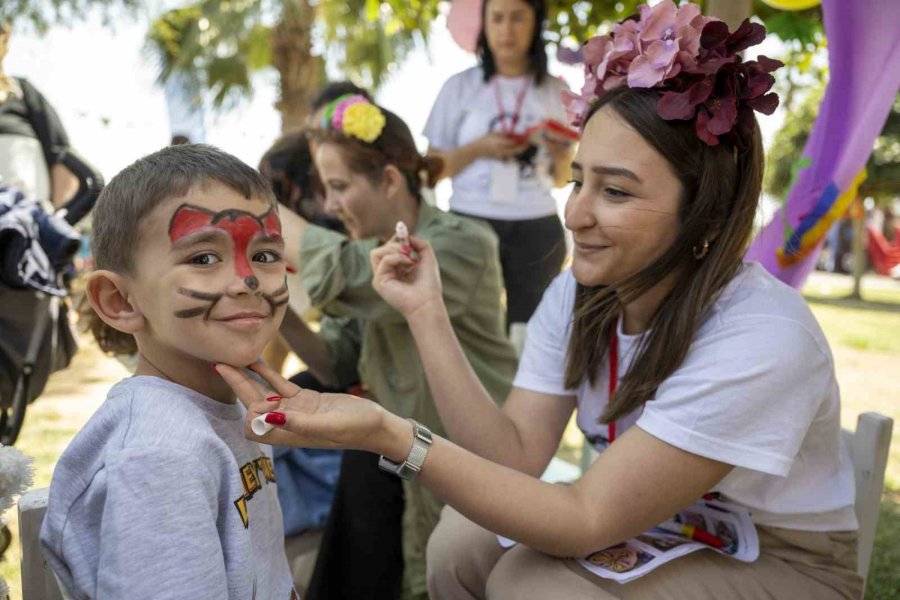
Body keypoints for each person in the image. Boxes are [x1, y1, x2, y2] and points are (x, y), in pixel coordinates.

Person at [219, 5, 863, 599]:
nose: (576, 212)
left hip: (778, 556)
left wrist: (388, 433)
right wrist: (425, 312)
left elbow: (585, 517)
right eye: (578, 180)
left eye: (616, 193)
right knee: (458, 544)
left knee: (536, 587)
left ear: (706, 219)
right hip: (664, 525)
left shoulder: (760, 335)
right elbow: (515, 454)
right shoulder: (583, 293)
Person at [272, 95, 518, 600]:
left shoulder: (459, 242)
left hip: (467, 477)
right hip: (401, 470)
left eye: (339, 187)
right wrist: (280, 311)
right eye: (326, 190)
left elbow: (348, 268)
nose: (332, 206)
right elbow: (334, 361)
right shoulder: (370, 263)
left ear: (388, 180)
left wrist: (264, 211)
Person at [40, 144, 298, 599]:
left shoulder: (238, 403)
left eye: (264, 255)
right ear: (119, 301)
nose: (248, 281)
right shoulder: (159, 457)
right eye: (203, 258)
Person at [423, 0, 575, 346]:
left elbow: (561, 178)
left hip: (536, 226)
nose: (507, 29)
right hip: (471, 223)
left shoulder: (556, 91)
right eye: (498, 18)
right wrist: (480, 148)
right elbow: (429, 171)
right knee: (471, 336)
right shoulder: (459, 87)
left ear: (536, 23)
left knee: (531, 338)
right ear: (485, 25)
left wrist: (560, 154)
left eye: (518, 18)